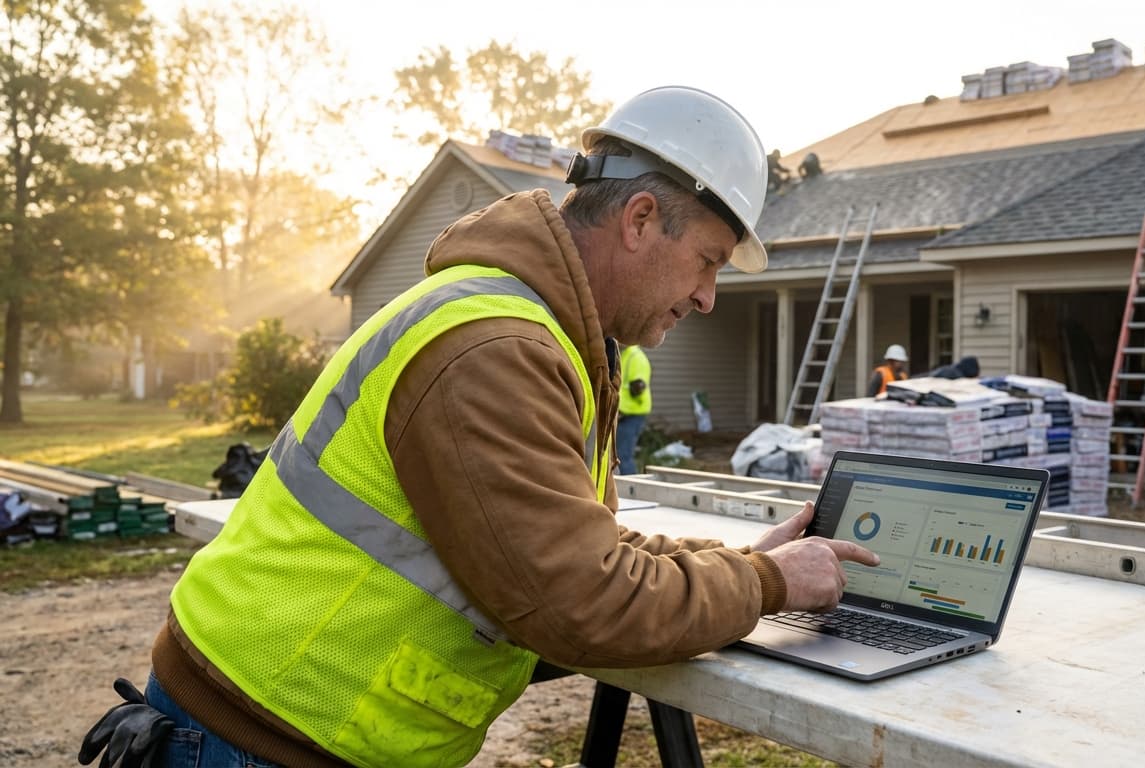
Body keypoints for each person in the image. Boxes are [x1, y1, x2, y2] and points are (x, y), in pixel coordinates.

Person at [78, 86, 880, 768]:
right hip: (266, 734)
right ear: (639, 219)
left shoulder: (529, 329)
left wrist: (737, 563)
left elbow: (573, 547)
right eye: (707, 259)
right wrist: (768, 586)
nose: (708, 296)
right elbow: (581, 603)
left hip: (271, 723)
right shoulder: (496, 348)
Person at [616, 343, 651, 474]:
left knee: (623, 456)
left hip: (632, 413)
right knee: (620, 455)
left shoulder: (635, 356)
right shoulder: (626, 354)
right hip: (626, 412)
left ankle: (630, 488)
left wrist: (622, 408)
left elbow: (638, 386)